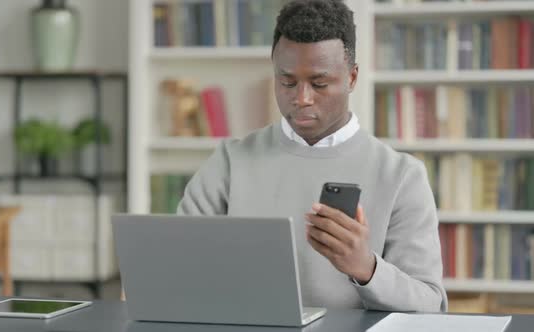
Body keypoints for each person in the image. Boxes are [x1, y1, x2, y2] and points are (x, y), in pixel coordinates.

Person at [178, 0, 447, 312]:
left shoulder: (401, 175)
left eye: (319, 83)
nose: (301, 99)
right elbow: (179, 262)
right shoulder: (230, 161)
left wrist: (366, 268)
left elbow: (430, 303)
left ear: (352, 78)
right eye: (287, 81)